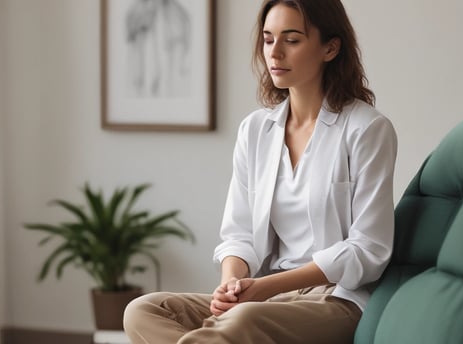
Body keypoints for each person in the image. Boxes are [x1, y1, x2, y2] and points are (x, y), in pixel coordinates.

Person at [123, 0, 397, 342]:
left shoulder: (367, 129)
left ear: (330, 47)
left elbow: (368, 250)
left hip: (334, 300)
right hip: (263, 294)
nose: (275, 53)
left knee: (240, 323)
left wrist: (264, 288)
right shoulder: (255, 130)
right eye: (268, 39)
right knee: (144, 309)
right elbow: (238, 234)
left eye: (292, 40)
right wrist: (231, 284)